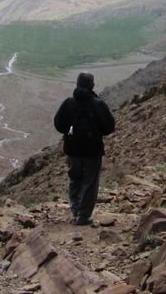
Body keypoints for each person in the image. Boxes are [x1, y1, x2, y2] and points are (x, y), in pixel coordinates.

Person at [53, 72, 115, 225]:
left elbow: (59, 124)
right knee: (90, 181)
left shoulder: (68, 103)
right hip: (93, 150)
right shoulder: (98, 104)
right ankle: (84, 215)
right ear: (92, 85)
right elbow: (109, 127)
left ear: (77, 84)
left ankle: (75, 209)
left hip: (72, 149)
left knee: (75, 178)